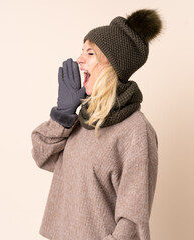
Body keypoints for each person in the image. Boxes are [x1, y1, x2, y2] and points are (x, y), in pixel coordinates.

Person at [31, 8, 162, 240]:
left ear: (112, 64)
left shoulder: (136, 131)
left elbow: (133, 221)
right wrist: (63, 114)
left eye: (90, 53)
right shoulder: (82, 119)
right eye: (82, 52)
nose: (79, 60)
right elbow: (41, 155)